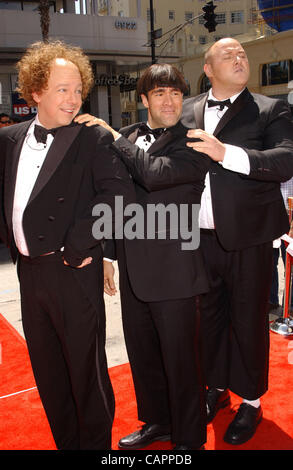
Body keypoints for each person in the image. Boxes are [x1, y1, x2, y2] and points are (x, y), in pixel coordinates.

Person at [0, 40, 135, 450]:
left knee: (86, 376)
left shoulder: (91, 138)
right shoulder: (9, 138)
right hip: (30, 273)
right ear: (36, 90)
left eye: (78, 90)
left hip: (72, 271)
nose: (74, 99)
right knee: (49, 373)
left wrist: (78, 247)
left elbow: (118, 197)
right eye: (62, 89)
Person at [76, 64, 212, 450]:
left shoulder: (195, 141)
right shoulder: (131, 136)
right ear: (144, 100)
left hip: (175, 273)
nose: (169, 100)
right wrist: (107, 254)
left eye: (175, 93)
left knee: (181, 362)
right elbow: (111, 197)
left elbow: (153, 174)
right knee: (144, 356)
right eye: (159, 93)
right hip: (134, 269)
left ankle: (188, 440)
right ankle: (158, 422)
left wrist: (113, 136)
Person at [181, 37, 293, 445]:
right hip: (198, 237)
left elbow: (285, 159)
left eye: (242, 54)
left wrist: (223, 152)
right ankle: (216, 386)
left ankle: (249, 401)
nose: (239, 58)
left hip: (249, 239)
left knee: (247, 321)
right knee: (206, 319)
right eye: (228, 55)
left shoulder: (271, 108)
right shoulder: (188, 108)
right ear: (208, 69)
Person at [269, 177, 293, 312]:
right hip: (272, 214)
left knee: (290, 262)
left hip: (291, 216)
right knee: (269, 262)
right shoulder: (272, 163)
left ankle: (289, 306)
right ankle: (271, 301)